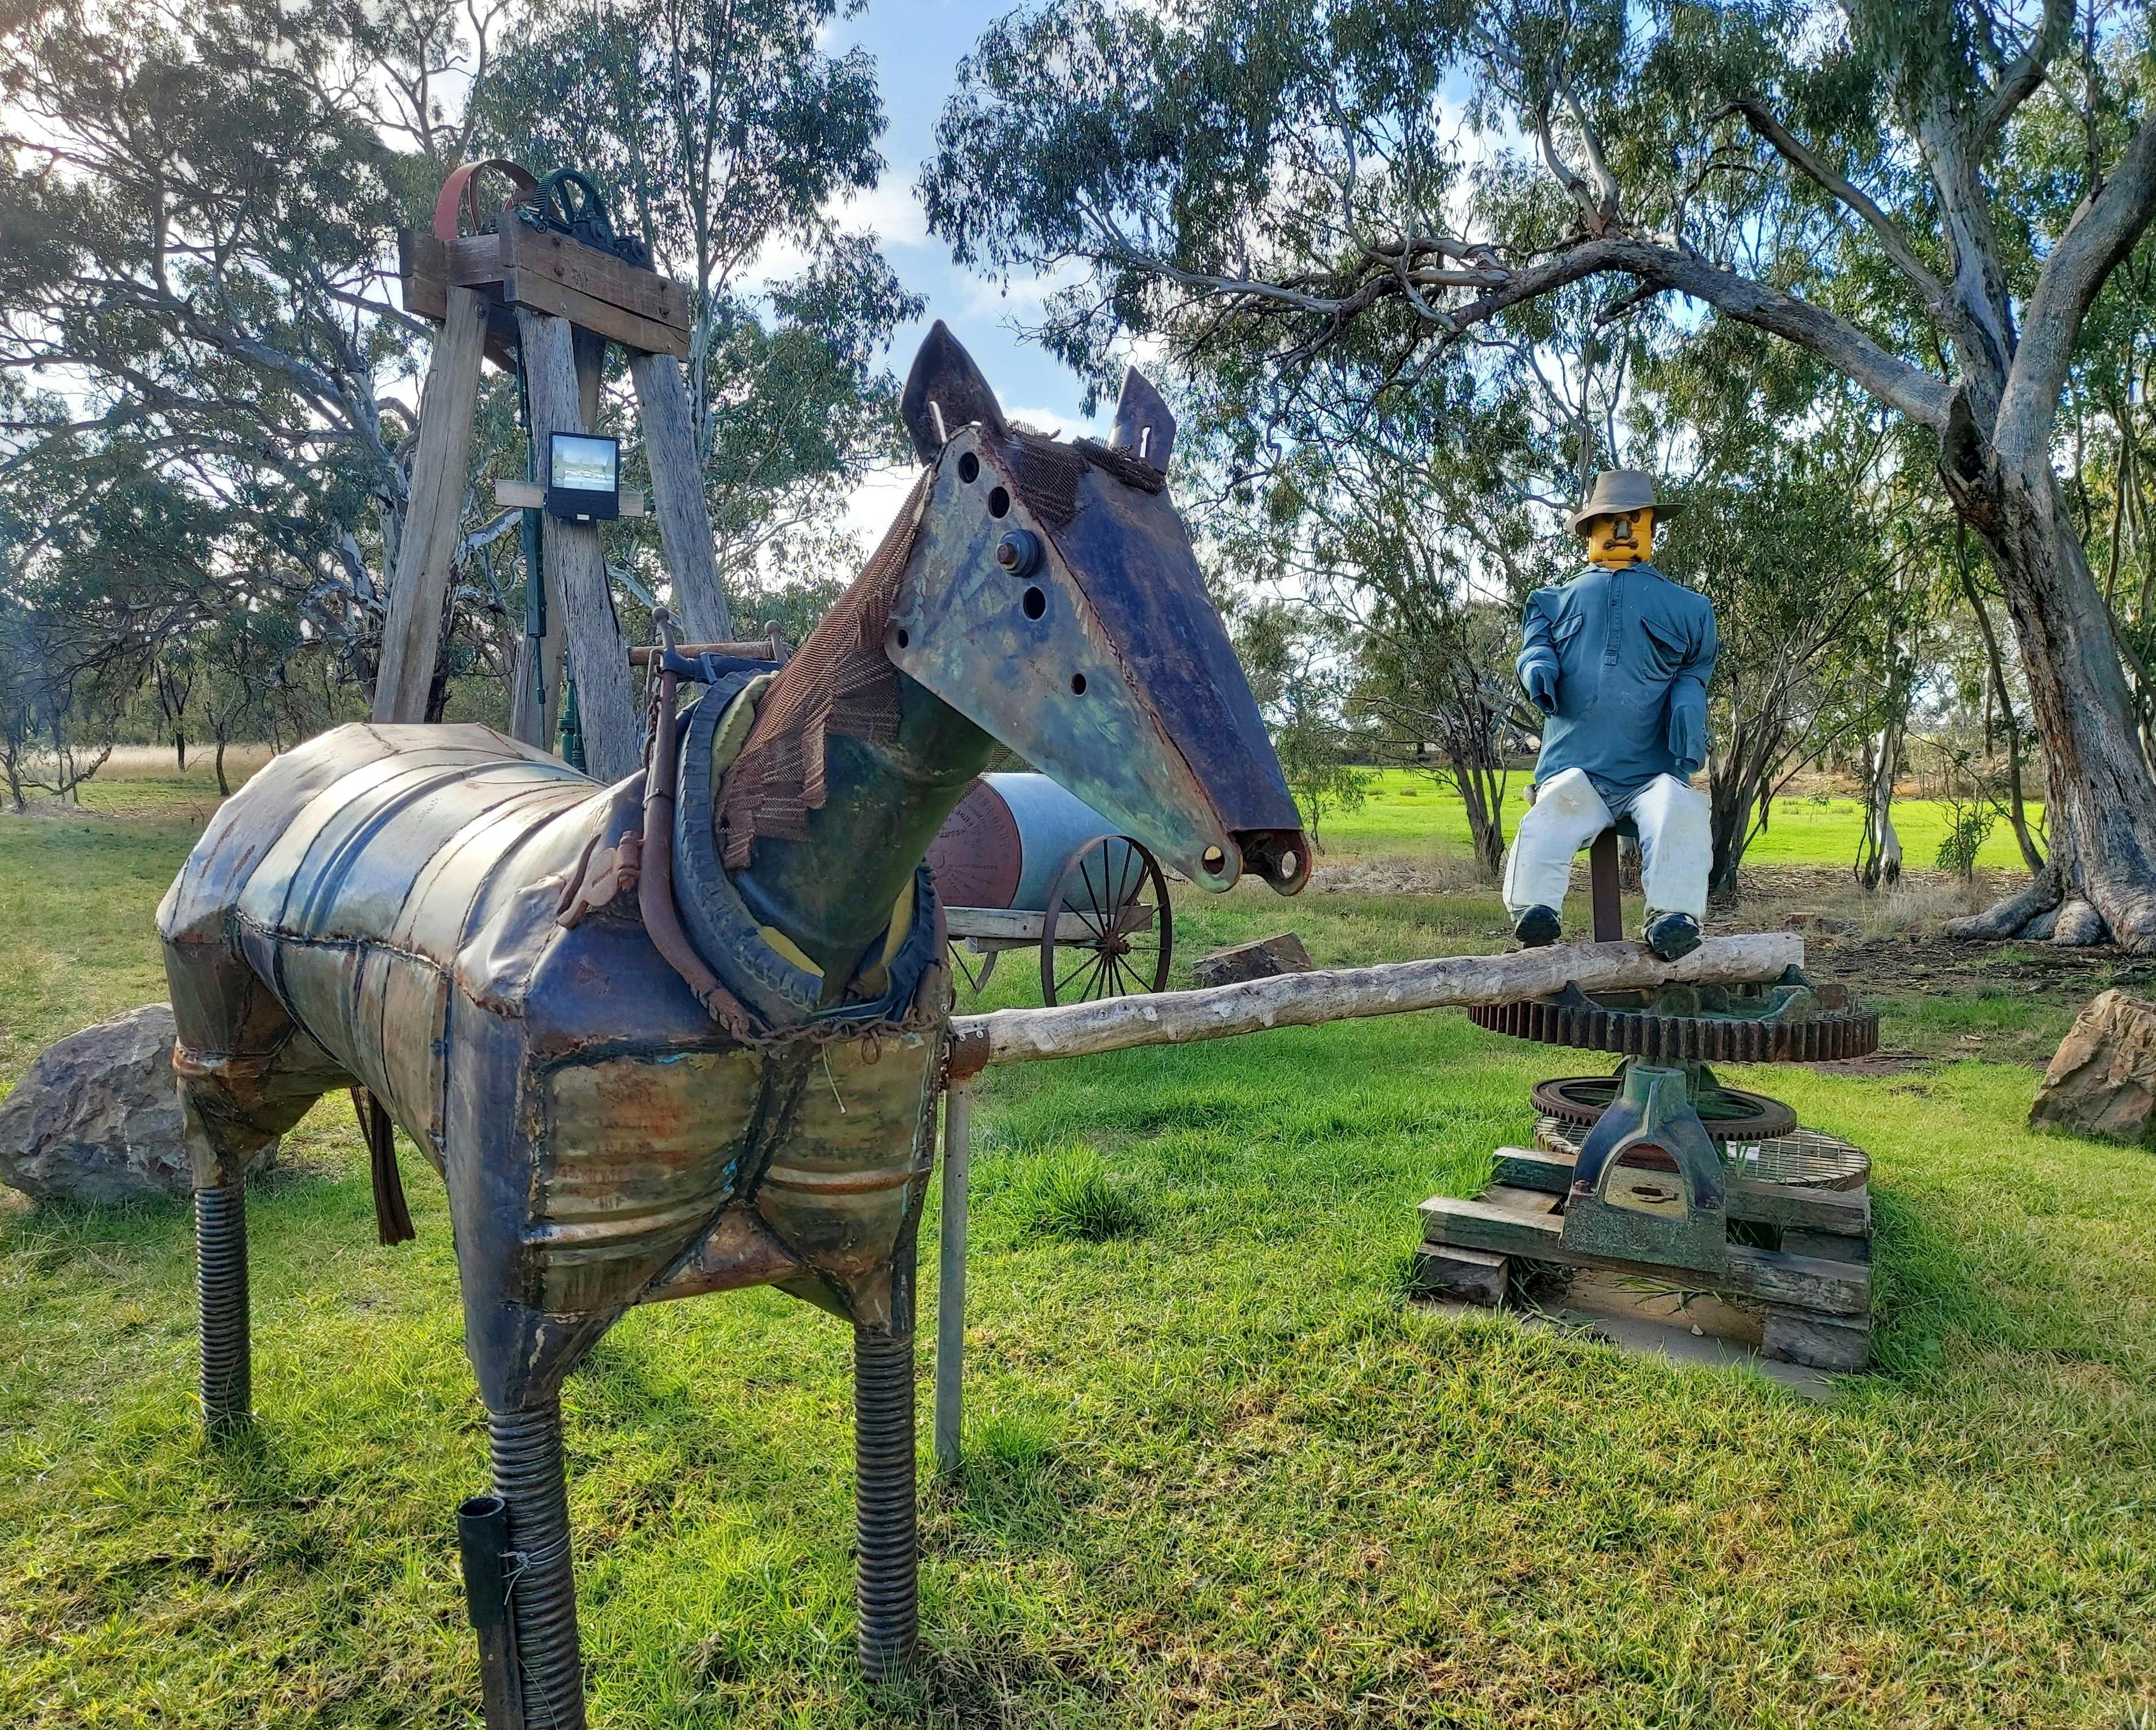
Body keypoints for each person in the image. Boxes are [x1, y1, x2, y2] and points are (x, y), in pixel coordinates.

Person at [1504, 470, 1719, 962]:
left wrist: (1689, 702)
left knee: (1680, 811)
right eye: (1609, 521)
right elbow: (1534, 645)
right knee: (1550, 816)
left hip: (1653, 771)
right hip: (1574, 768)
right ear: (1589, 529)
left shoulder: (1691, 609)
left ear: (1649, 527)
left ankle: (1674, 916)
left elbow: (1694, 667)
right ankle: (1534, 910)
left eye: (1632, 521)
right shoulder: (1549, 601)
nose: (1621, 531)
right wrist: (1536, 664)